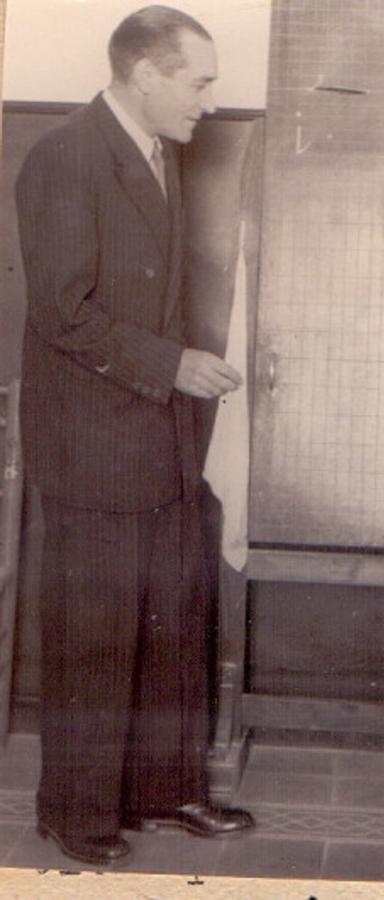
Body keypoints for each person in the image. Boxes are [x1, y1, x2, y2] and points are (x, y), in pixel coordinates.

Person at [15, 5, 254, 866]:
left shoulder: (161, 152)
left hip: (156, 434)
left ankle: (165, 790)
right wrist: (175, 365)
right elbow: (62, 311)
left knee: (169, 620)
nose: (209, 100)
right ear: (146, 73)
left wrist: (176, 380)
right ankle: (76, 816)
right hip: (93, 443)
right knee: (96, 631)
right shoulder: (64, 158)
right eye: (198, 81)